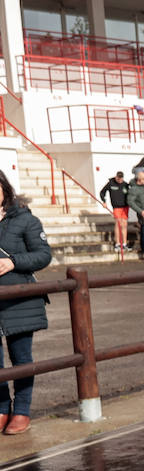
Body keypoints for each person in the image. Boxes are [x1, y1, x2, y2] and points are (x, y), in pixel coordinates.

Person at [0, 170, 52, 436]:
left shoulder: (24, 219)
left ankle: (21, 411)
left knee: (21, 358)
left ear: (4, 189)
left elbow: (43, 255)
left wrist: (13, 262)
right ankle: (0, 409)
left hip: (19, 300)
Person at [99, 170, 131, 255]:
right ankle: (117, 243)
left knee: (124, 224)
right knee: (118, 223)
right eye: (118, 178)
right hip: (116, 207)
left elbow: (130, 194)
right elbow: (102, 192)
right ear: (116, 177)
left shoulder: (125, 185)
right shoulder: (111, 183)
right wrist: (104, 201)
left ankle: (124, 243)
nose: (119, 180)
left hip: (125, 207)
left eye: (121, 178)